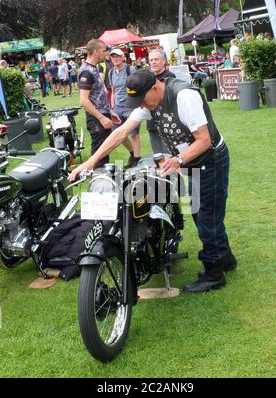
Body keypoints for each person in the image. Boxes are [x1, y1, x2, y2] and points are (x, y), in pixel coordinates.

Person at [69, 68, 237, 293]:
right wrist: (91, 162)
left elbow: (204, 140)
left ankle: (215, 274)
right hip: (193, 161)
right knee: (200, 212)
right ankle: (225, 258)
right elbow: (120, 133)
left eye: (141, 99)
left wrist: (177, 159)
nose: (140, 105)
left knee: (207, 215)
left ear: (156, 87)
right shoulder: (149, 103)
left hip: (211, 159)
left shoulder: (184, 97)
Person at [77, 39, 121, 167]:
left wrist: (109, 111)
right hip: (96, 118)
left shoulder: (94, 68)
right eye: (103, 51)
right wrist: (101, 117)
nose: (106, 54)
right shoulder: (86, 71)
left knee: (103, 152)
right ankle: (98, 182)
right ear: (95, 51)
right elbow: (83, 100)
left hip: (102, 114)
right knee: (98, 155)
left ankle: (102, 181)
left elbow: (98, 95)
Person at [109, 48, 141, 168]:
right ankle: (133, 154)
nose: (115, 58)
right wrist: (112, 106)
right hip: (117, 107)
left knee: (134, 134)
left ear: (123, 58)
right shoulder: (111, 72)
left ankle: (137, 160)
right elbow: (113, 91)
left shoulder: (130, 69)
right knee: (117, 133)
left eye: (117, 56)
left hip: (130, 106)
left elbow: (137, 87)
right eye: (113, 56)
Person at [147, 48, 175, 153]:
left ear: (164, 61)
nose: (153, 62)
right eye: (151, 60)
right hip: (151, 120)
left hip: (166, 121)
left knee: (169, 156)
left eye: (156, 59)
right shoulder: (148, 77)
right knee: (158, 157)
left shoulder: (170, 77)